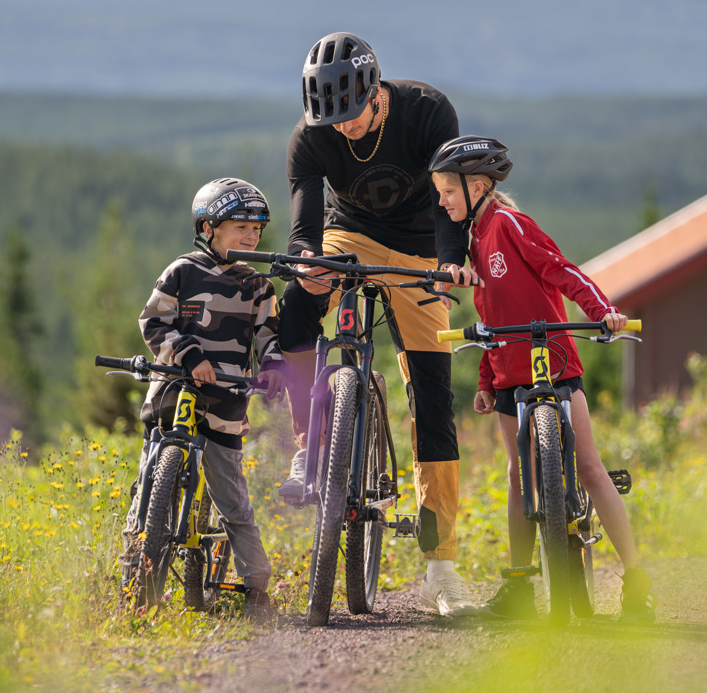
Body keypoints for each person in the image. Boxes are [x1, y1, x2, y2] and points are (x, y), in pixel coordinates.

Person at [278, 32, 477, 617]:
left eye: (352, 114)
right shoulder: (310, 136)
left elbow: (449, 202)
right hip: (348, 238)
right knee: (293, 306)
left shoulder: (427, 111)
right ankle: (307, 440)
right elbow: (303, 224)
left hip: (420, 251)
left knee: (433, 395)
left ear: (376, 92)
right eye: (330, 118)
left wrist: (447, 263)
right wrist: (307, 265)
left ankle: (442, 570)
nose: (343, 128)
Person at [428, 135, 656, 622]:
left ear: (480, 186)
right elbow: (491, 314)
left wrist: (603, 312)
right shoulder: (474, 239)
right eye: (440, 191)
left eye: (448, 190)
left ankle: (637, 579)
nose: (442, 200)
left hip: (554, 363)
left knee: (591, 469)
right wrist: (487, 379)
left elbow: (561, 271)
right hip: (509, 375)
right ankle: (518, 588)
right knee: (516, 475)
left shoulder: (509, 224)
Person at [122, 178, 287, 623]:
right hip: (174, 393)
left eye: (257, 228)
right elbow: (153, 322)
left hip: (227, 401)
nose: (251, 236)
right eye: (239, 227)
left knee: (232, 500)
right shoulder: (182, 272)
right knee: (148, 489)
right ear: (207, 227)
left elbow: (272, 338)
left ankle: (256, 588)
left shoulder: (259, 287)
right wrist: (190, 354)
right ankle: (134, 581)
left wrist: (272, 369)